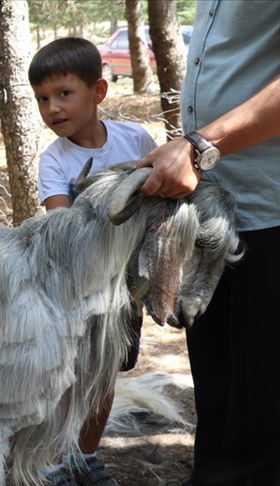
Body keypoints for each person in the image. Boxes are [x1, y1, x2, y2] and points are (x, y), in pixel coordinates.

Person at [134, 2, 280, 484]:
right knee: (221, 400)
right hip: (218, 210)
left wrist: (199, 145)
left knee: (263, 410)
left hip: (273, 213)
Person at [29, 37, 157, 486]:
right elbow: (61, 224)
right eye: (43, 99)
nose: (52, 108)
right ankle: (51, 460)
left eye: (65, 94)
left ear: (98, 92)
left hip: (125, 287)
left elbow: (154, 206)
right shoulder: (54, 160)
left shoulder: (136, 139)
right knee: (65, 375)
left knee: (105, 375)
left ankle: (85, 455)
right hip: (76, 288)